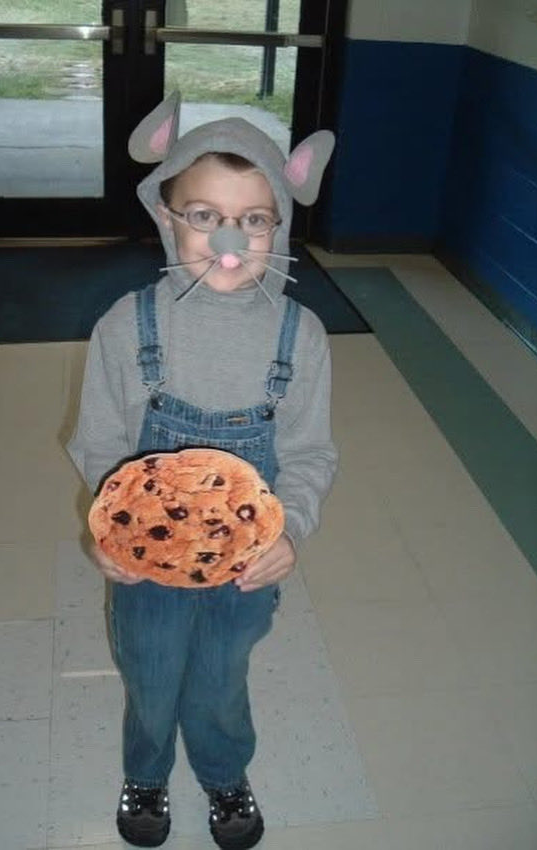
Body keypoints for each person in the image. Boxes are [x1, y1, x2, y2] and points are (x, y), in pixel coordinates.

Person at [67, 92, 338, 850]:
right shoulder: (127, 326)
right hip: (147, 563)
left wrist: (296, 527)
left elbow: (313, 453)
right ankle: (145, 771)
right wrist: (108, 527)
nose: (229, 238)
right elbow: (98, 443)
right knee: (151, 673)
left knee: (221, 676)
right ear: (166, 217)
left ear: (279, 227)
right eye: (203, 214)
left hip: (247, 562)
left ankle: (223, 774)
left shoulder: (302, 335)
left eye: (254, 219)